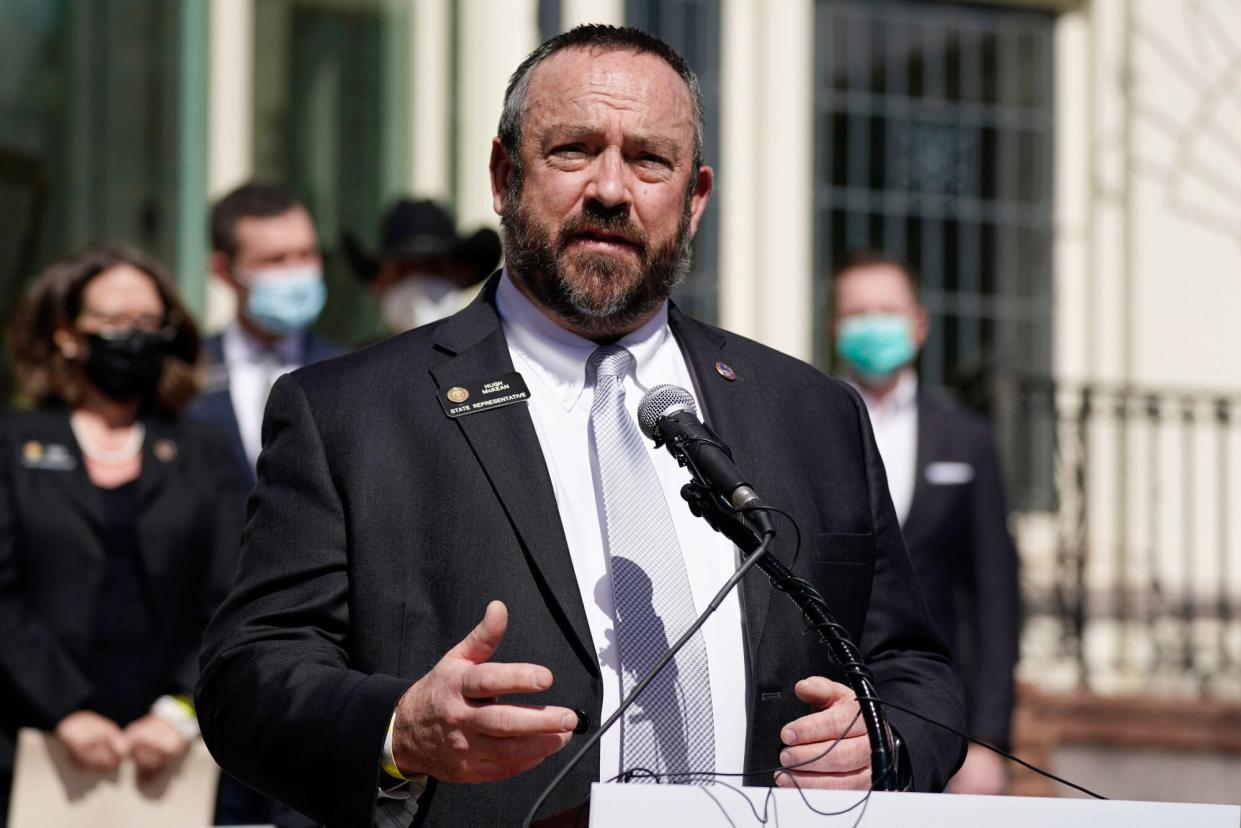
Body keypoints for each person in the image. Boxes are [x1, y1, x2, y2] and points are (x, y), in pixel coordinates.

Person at [197, 25, 966, 827]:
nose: (610, 188)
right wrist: (400, 729)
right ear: (503, 175)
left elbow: (912, 666)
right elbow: (247, 676)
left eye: (648, 160)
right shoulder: (350, 413)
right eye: (572, 150)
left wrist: (882, 742)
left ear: (694, 197)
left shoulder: (811, 413)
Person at [0, 245, 246, 824]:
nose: (131, 338)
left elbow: (233, 592)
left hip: (168, 749)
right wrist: (65, 710)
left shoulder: (202, 452)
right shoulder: (14, 447)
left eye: (146, 323)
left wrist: (179, 708)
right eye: (112, 323)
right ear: (67, 335)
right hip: (31, 739)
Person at [829, 249, 1021, 795]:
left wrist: (987, 739)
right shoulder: (809, 426)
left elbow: (995, 597)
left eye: (886, 311)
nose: (873, 325)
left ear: (918, 325)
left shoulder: (967, 439)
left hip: (939, 724)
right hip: (828, 725)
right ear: (835, 326)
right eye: (857, 313)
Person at [187, 182, 342, 486]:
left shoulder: (347, 368)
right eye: (274, 260)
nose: (297, 272)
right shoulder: (189, 372)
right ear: (223, 271)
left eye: (307, 254)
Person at [343, 198, 502, 336]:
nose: (418, 283)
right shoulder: (350, 367)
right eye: (404, 269)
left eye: (434, 267)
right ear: (378, 282)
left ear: (462, 273)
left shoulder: (492, 362)